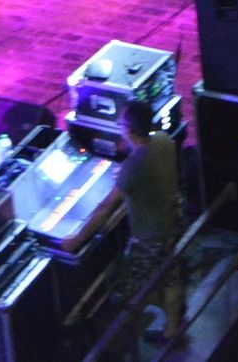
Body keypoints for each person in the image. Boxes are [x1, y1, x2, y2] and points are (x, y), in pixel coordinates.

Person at [64, 99, 185, 347]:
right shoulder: (162, 140)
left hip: (150, 236)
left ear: (128, 129)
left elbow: (105, 208)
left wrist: (76, 239)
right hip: (173, 218)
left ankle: (156, 324)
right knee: (171, 275)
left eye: (120, 123)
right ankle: (173, 327)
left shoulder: (134, 165)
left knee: (126, 289)